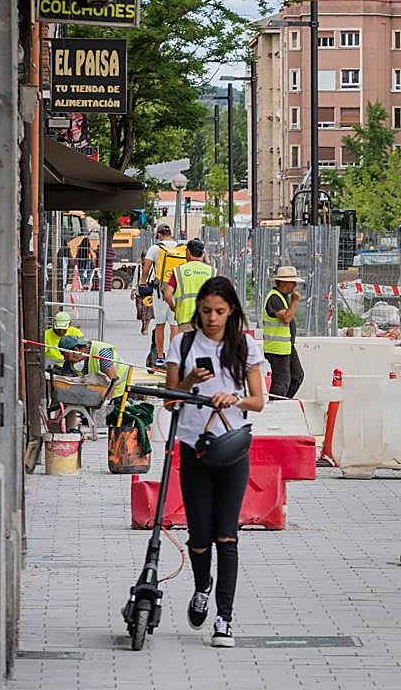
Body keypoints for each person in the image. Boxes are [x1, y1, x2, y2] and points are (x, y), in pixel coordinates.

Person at [164, 276, 266, 648]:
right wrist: (191, 379)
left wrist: (233, 398)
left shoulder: (245, 346)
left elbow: (259, 400)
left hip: (233, 448)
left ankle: (224, 618)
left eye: (219, 311)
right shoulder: (183, 343)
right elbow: (170, 400)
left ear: (232, 312)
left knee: (227, 534)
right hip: (194, 447)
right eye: (206, 311)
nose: (212, 318)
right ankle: (201, 586)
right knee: (199, 535)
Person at [140, 224, 182, 367]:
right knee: (174, 325)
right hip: (176, 290)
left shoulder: (155, 248)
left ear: (159, 234)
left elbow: (146, 267)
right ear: (170, 233)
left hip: (160, 291)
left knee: (160, 324)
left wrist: (143, 281)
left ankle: (159, 356)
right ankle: (173, 355)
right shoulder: (179, 247)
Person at [263, 265, 305, 399]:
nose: (294, 285)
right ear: (281, 282)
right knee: (281, 383)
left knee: (297, 376)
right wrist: (295, 301)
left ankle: (283, 403)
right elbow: (286, 318)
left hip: (286, 347)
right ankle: (276, 409)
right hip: (277, 349)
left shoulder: (283, 297)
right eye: (292, 282)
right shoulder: (274, 298)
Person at [56, 335, 132, 403]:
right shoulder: (69, 362)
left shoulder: (101, 353)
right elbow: (66, 383)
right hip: (96, 392)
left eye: (65, 355)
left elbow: (113, 380)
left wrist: (106, 402)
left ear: (76, 350)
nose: (64, 358)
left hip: (118, 391)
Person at [165, 238, 215, 335]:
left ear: (187, 252)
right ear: (202, 254)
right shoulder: (211, 271)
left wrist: (173, 307)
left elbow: (167, 295)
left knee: (186, 349)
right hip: (206, 319)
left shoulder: (179, 271)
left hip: (185, 319)